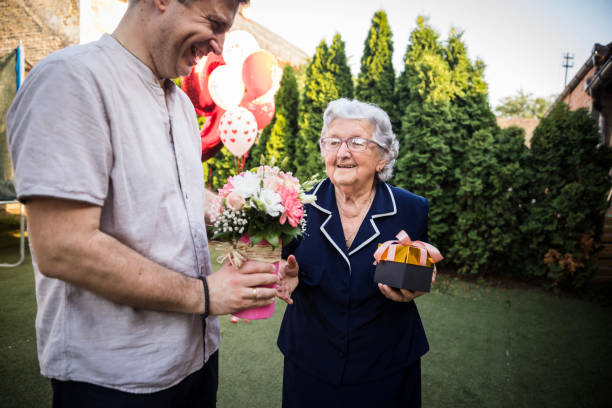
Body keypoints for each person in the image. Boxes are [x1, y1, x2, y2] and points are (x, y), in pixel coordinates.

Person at [6, 0, 284, 406]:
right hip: (116, 381)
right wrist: (205, 296)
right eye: (214, 23)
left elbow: (177, 193)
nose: (221, 49)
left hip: (198, 361)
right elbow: (63, 248)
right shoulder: (71, 79)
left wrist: (234, 211)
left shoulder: (181, 105)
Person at [277, 98, 436, 407]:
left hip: (386, 368)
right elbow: (282, 261)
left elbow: (424, 266)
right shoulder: (297, 206)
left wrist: (422, 278)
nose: (343, 152)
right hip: (310, 365)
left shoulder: (412, 209)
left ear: (383, 157)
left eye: (357, 142)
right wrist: (282, 272)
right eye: (333, 142)